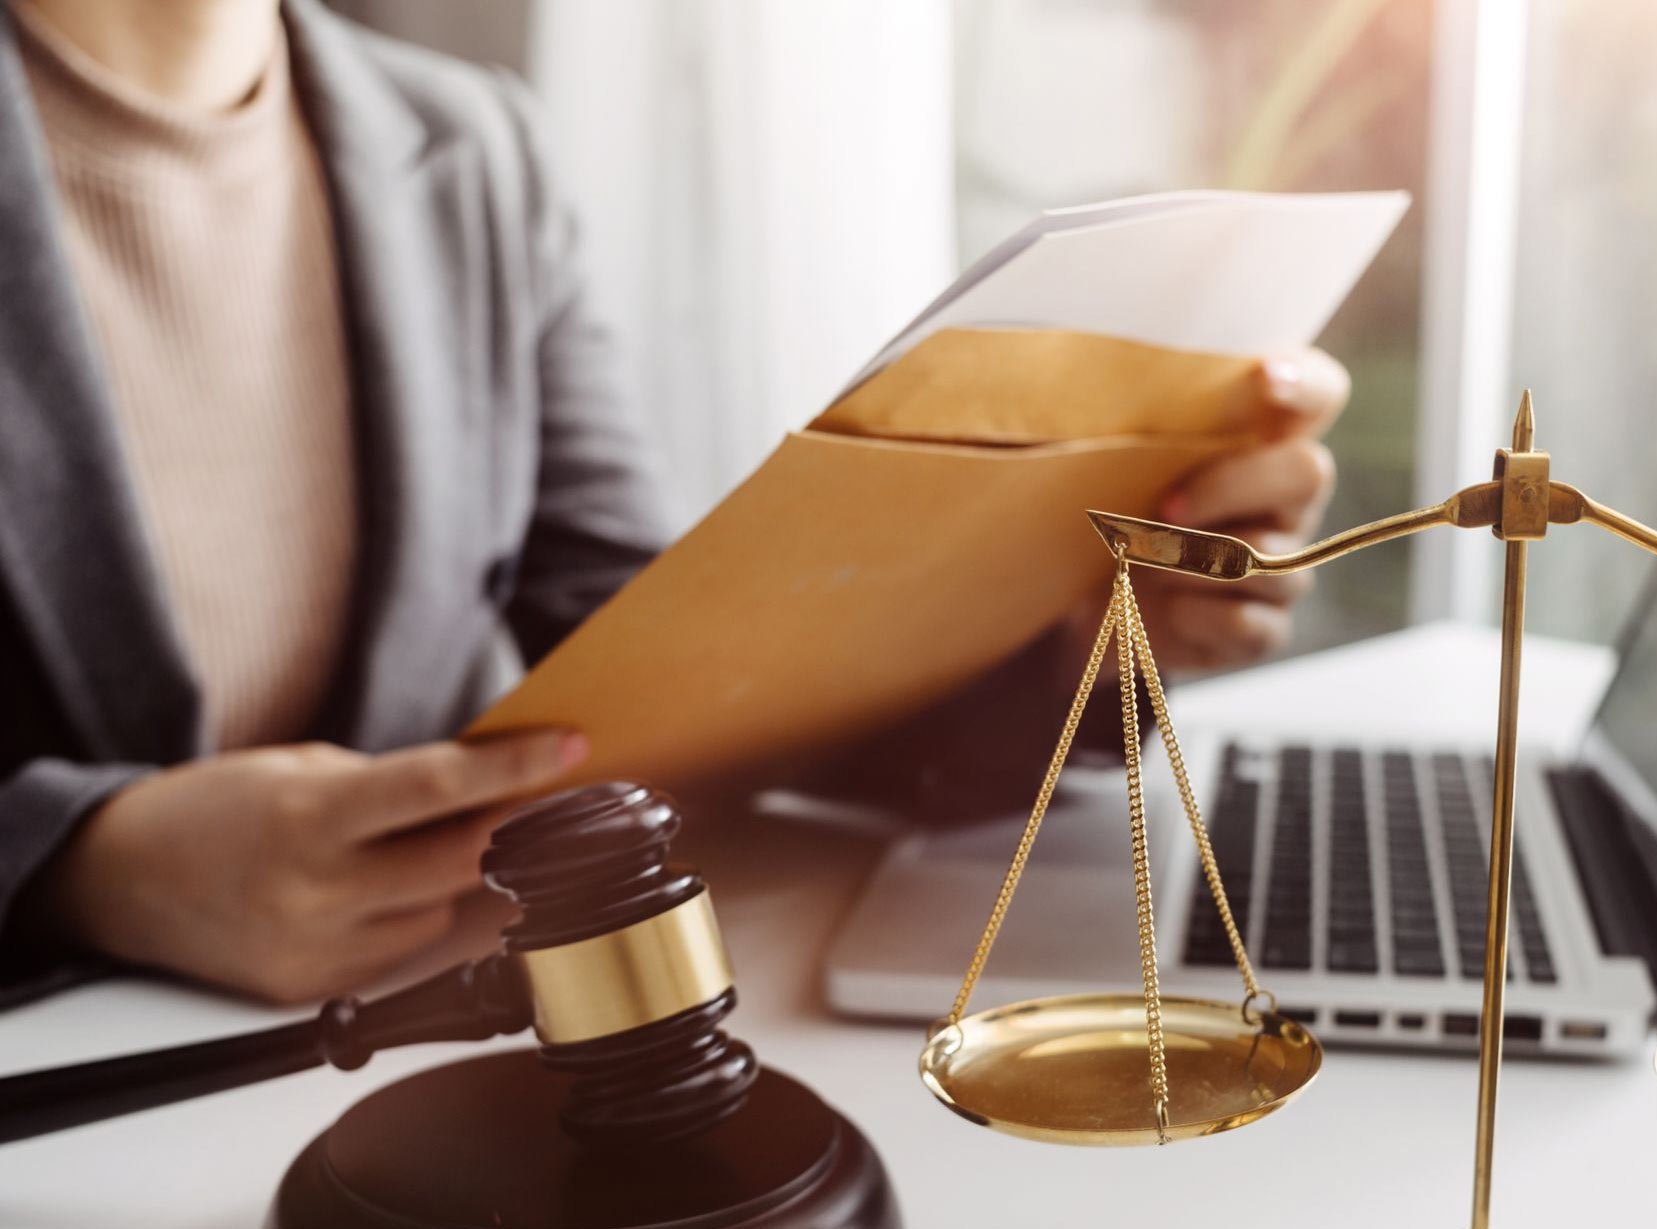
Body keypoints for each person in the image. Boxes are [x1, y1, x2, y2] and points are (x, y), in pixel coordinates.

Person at [0, 0, 1351, 1005]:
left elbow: (674, 670)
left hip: (387, 1079)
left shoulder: (472, 150)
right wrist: (82, 865)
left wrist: (1089, 645)